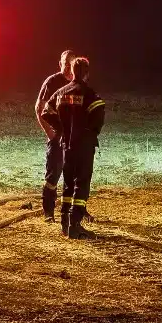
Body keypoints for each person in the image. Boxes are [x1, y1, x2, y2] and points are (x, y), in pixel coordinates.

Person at [53, 56, 105, 238]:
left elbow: (46, 111)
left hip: (67, 146)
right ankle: (75, 224)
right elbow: (98, 118)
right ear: (87, 73)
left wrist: (62, 129)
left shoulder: (61, 93)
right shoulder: (90, 94)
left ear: (72, 71)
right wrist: (88, 133)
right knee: (81, 184)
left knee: (68, 183)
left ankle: (65, 223)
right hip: (83, 147)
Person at [34, 50, 74, 220]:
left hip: (73, 137)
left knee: (74, 175)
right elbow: (39, 108)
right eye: (66, 64)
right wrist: (50, 133)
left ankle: (76, 210)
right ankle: (48, 211)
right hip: (58, 137)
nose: (68, 68)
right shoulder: (52, 82)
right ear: (60, 64)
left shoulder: (77, 83)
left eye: (71, 65)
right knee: (53, 174)